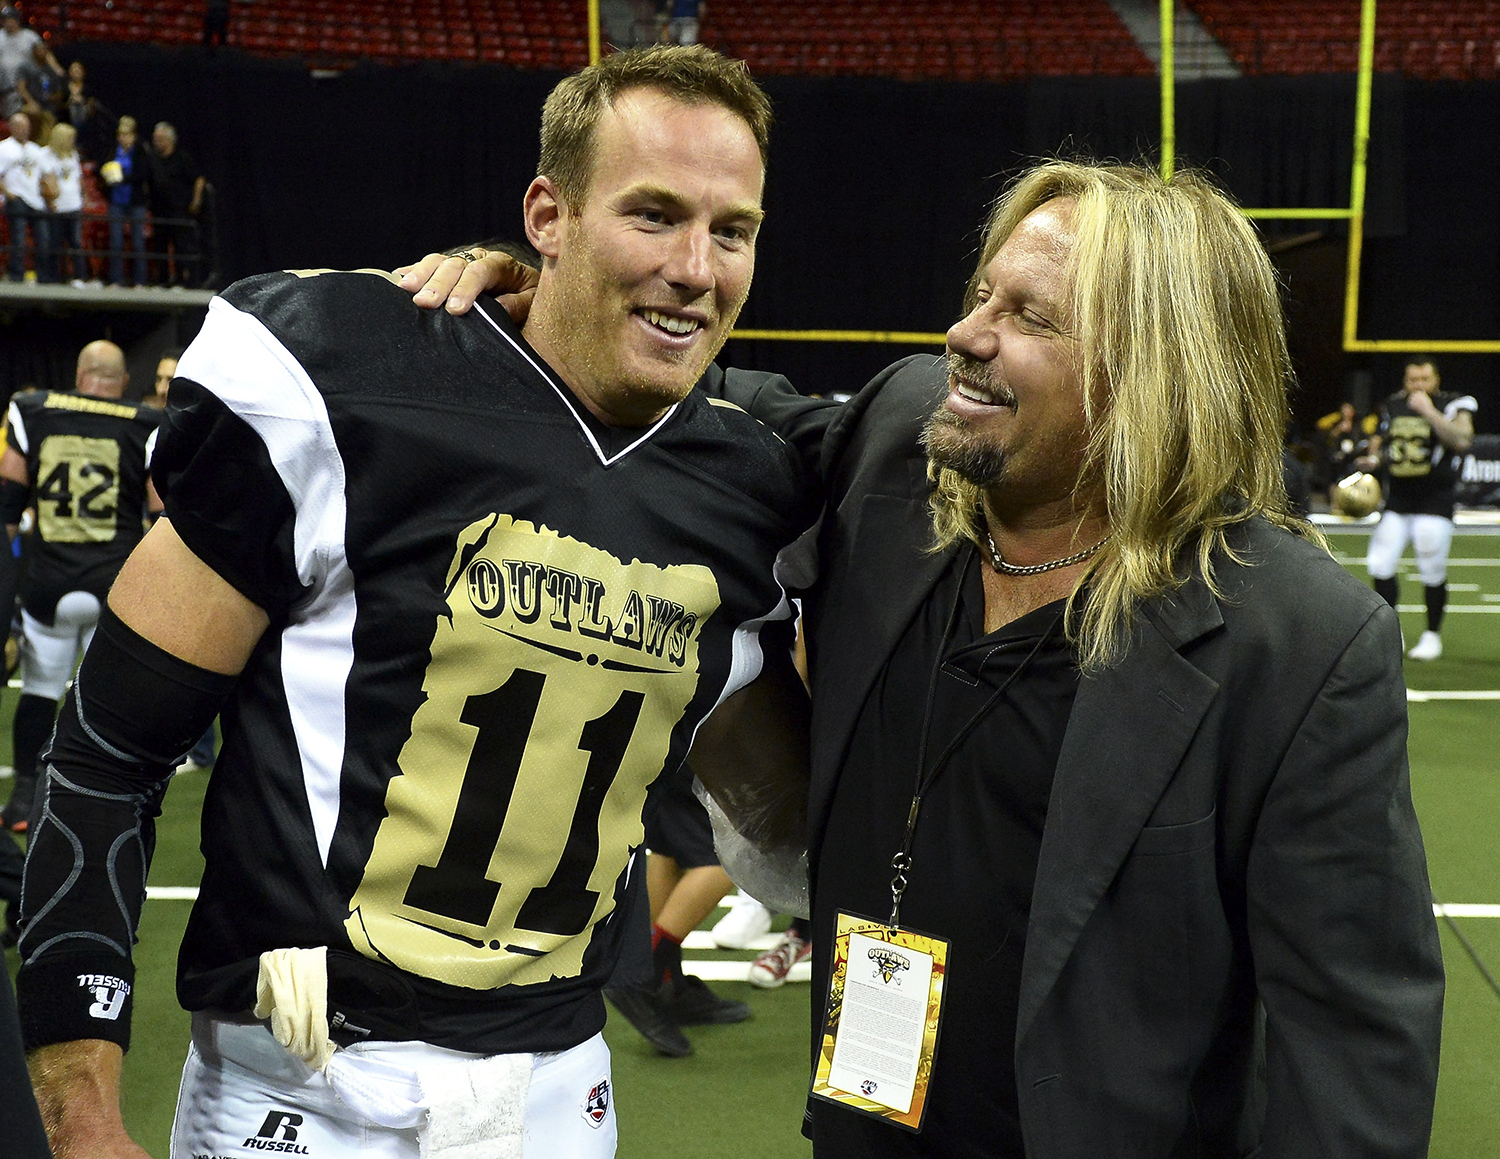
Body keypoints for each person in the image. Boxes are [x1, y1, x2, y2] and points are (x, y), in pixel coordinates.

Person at [418, 157, 1444, 1156]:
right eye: (980, 293)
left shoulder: (1297, 637)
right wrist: (546, 296)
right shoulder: (901, 443)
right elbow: (689, 392)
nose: (966, 334)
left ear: (1157, 372)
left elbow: (1352, 1043)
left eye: (1028, 316)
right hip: (869, 1114)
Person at [17, 44, 812, 1159]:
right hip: (303, 1093)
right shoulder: (345, 379)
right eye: (653, 215)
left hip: (564, 1098)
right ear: (548, 212)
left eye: (732, 232)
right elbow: (107, 755)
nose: (696, 264)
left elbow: (781, 804)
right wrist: (82, 1115)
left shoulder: (760, 486)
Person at [0, 340, 162, 833]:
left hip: (47, 583)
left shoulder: (33, 411)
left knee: (40, 689)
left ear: (79, 372)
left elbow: (8, 506)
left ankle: (25, 798)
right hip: (114, 583)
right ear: (123, 381)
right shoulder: (146, 423)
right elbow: (159, 512)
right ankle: (101, 804)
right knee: (107, 701)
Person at [1359, 355, 1476, 661]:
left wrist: (1429, 412)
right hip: (1397, 500)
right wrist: (1374, 460)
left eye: (1424, 379)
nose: (1418, 385)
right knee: (1380, 563)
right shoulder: (1393, 404)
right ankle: (1391, 632)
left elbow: (1462, 440)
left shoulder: (1455, 404)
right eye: (1413, 380)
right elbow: (1390, 448)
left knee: (1431, 565)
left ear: (1436, 379)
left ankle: (1432, 635)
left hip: (1434, 500)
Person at [146, 121, 205, 286]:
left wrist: (196, 200)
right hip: (159, 210)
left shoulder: (182, 158)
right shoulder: (152, 159)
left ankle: (182, 280)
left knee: (181, 246)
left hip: (179, 209)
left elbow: (198, 179)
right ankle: (163, 280)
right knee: (160, 246)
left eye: (160, 139)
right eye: (155, 139)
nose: (156, 143)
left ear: (170, 140)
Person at [1, 110, 52, 282]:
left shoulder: (35, 149)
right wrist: (8, 194)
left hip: (35, 199)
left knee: (43, 239)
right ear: (12, 127)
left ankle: (44, 277)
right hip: (16, 197)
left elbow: (46, 174)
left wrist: (50, 194)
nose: (25, 130)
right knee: (19, 239)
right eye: (21, 127)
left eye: (27, 127)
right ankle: (17, 276)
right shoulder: (4, 148)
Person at [101, 114, 149, 287]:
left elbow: (143, 174)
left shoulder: (140, 151)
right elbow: (104, 167)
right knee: (116, 241)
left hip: (135, 202)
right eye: (120, 135)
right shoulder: (114, 150)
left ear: (133, 136)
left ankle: (140, 281)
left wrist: (123, 178)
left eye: (127, 135)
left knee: (137, 242)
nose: (123, 138)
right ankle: (115, 279)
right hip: (117, 201)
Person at [40, 121, 83, 284]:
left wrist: (82, 197)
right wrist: (50, 200)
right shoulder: (45, 155)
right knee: (55, 243)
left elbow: (78, 178)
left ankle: (79, 277)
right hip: (57, 206)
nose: (73, 141)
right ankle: (52, 277)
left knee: (76, 243)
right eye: (70, 138)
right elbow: (45, 179)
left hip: (74, 205)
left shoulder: (73, 154)